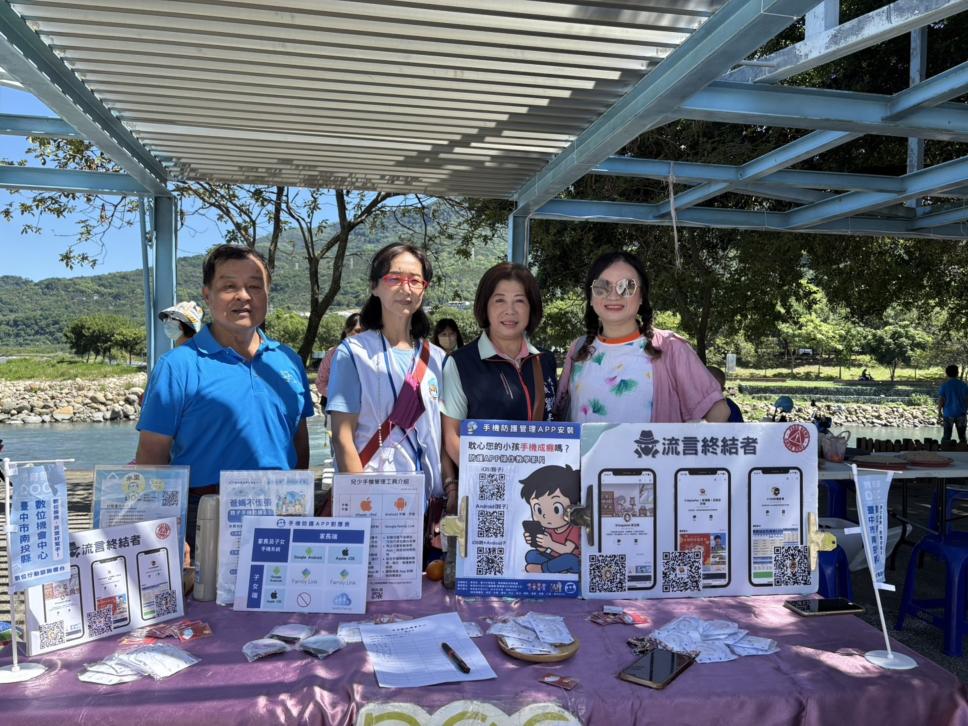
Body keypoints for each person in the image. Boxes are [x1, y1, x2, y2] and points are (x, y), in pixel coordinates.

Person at [136, 244, 314, 555]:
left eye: (254, 286)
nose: (243, 296)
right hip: (205, 514)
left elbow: (299, 441)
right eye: (229, 286)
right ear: (208, 295)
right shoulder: (177, 366)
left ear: (267, 294)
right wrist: (169, 531)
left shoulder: (288, 360)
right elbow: (152, 457)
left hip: (283, 511)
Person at [327, 243, 453, 512]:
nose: (406, 289)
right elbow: (342, 436)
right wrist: (361, 506)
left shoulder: (438, 359)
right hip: (375, 502)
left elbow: (442, 436)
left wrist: (450, 487)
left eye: (415, 280)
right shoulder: (354, 353)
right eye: (394, 278)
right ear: (375, 286)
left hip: (429, 504)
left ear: (424, 289)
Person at [556, 251, 729, 424]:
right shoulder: (579, 348)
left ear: (642, 297)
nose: (614, 295)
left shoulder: (670, 347)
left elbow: (718, 411)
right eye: (602, 287)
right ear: (591, 297)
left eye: (626, 287)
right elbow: (558, 412)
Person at [441, 262, 558, 466]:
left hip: (540, 480)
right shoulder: (460, 364)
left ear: (531, 307)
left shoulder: (545, 360)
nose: (510, 311)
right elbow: (452, 437)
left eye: (519, 301)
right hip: (485, 480)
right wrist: (488, 478)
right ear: (485, 306)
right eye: (499, 300)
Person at [520, 464, 581, 574]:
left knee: (569, 559)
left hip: (572, 560)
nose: (545, 516)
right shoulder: (548, 529)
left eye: (556, 509)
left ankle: (543, 569)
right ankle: (556, 568)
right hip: (554, 558)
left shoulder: (573, 527)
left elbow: (567, 550)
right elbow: (544, 549)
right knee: (531, 555)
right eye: (538, 509)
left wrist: (549, 543)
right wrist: (536, 542)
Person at [315, 312, 363, 410]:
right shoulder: (333, 353)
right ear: (347, 330)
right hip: (333, 406)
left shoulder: (371, 355)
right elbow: (321, 383)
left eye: (364, 331)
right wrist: (340, 396)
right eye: (358, 331)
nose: (361, 335)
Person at [938, 364, 968, 446]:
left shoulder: (944, 386)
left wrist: (939, 412)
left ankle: (945, 450)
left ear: (947, 374)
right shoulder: (964, 385)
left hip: (948, 414)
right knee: (962, 437)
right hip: (961, 414)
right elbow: (967, 399)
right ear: (957, 373)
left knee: (946, 436)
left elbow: (941, 400)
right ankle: (963, 451)